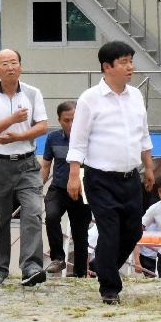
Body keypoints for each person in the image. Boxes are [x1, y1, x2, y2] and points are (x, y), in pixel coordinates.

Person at [67, 41, 155, 304]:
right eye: (124, 62)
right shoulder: (89, 99)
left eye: (131, 61)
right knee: (109, 230)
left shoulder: (136, 96)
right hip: (100, 178)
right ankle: (110, 288)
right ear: (107, 67)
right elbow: (78, 140)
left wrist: (149, 166)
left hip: (130, 177)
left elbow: (144, 135)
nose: (130, 67)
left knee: (133, 231)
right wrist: (74, 175)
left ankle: (104, 266)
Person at [0, 49, 48, 287]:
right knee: (1, 219)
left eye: (14, 62)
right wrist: (12, 121)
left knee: (33, 212)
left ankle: (31, 266)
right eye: (5, 64)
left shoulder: (32, 93)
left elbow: (42, 126)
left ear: (21, 66)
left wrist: (19, 137)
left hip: (28, 163)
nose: (10, 67)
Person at [41, 101, 91, 277]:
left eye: (74, 120)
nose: (71, 124)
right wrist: (39, 185)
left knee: (80, 234)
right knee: (51, 216)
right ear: (59, 120)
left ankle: (80, 274)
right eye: (66, 120)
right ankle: (58, 258)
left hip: (83, 189)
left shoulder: (89, 138)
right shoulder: (52, 138)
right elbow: (46, 165)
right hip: (58, 187)